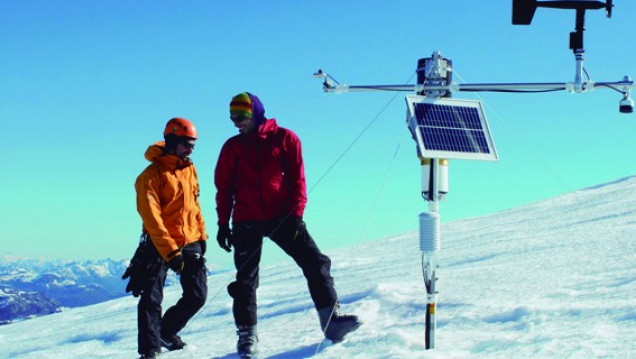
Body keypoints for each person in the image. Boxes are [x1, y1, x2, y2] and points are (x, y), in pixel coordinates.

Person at [214, 92, 361, 357]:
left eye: (241, 116)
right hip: (246, 220)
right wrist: (223, 224)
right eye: (232, 117)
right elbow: (223, 188)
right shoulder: (232, 147)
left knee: (315, 263)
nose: (236, 122)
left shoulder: (285, 138)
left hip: (282, 217)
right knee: (245, 280)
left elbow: (297, 179)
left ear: (256, 113)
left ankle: (332, 323)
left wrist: (296, 214)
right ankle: (247, 337)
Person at [129, 117, 208, 359]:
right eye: (186, 143)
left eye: (193, 144)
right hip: (159, 244)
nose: (191, 149)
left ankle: (166, 331)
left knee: (197, 295)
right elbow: (152, 218)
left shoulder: (189, 169)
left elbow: (195, 206)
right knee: (151, 298)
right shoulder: (150, 176)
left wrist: (202, 236)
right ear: (172, 141)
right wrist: (170, 252)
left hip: (190, 241)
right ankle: (150, 351)